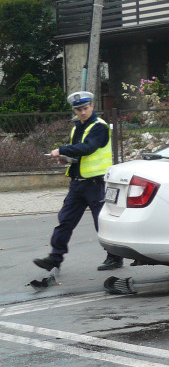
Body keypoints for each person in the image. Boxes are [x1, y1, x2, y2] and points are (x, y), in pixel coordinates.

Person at [33, 91, 123, 273]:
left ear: (92, 106)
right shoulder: (77, 128)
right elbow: (79, 153)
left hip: (96, 184)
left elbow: (89, 148)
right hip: (78, 183)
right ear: (74, 110)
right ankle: (54, 258)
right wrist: (66, 158)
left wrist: (62, 149)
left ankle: (115, 257)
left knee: (102, 223)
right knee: (65, 221)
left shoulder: (99, 127)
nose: (82, 112)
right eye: (78, 109)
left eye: (85, 108)